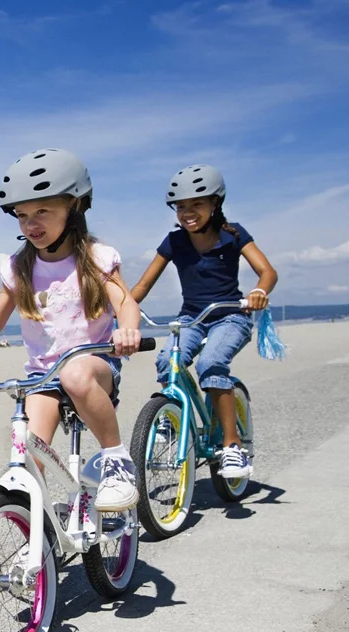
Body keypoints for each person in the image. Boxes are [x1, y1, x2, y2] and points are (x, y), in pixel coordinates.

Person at [0, 148, 142, 511]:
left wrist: (127, 330)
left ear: (74, 206)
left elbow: (125, 302)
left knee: (75, 375)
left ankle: (116, 460)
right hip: (42, 375)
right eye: (22, 216)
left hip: (93, 366)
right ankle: (36, 524)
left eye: (42, 211)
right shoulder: (19, 267)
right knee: (28, 451)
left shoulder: (96, 258)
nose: (31, 224)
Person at [131, 164, 278, 478]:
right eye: (180, 206)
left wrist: (259, 291)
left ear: (215, 203)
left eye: (196, 204)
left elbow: (267, 272)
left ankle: (232, 446)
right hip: (192, 318)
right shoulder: (174, 241)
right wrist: (120, 309)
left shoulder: (232, 234)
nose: (187, 212)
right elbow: (142, 286)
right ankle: (172, 419)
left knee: (210, 364)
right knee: (168, 360)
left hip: (230, 315)